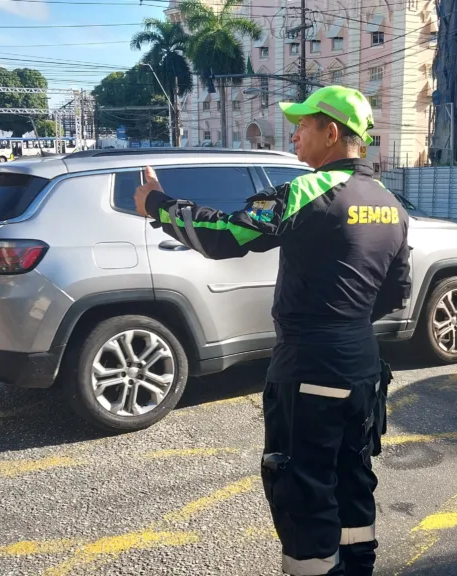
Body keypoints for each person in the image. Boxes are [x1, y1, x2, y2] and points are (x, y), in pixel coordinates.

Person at [133, 85, 410, 576]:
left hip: (308, 368)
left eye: (304, 124)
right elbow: (394, 294)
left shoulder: (307, 191)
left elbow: (225, 235)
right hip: (362, 366)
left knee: (301, 487)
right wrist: (344, 321)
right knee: (352, 476)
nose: (295, 133)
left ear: (332, 132)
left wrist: (156, 204)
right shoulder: (391, 205)